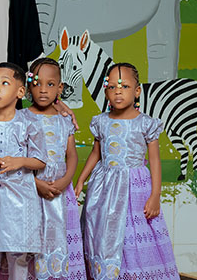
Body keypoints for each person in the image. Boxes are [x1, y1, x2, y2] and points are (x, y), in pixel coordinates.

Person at [75, 63, 179, 280]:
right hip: (104, 190)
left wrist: (155, 195)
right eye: (112, 87)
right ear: (106, 92)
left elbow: (155, 160)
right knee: (103, 235)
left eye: (124, 86)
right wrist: (81, 180)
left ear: (137, 91)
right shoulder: (100, 121)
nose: (118, 92)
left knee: (131, 235)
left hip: (135, 188)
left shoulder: (146, 123)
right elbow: (96, 153)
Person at [0, 62, 46, 280]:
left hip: (20, 202)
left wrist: (19, 161)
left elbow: (41, 160)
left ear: (20, 92)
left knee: (18, 253)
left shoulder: (29, 123)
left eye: (4, 83)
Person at [23, 58, 84, 279]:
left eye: (50, 84)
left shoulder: (64, 120)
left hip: (60, 191)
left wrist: (66, 180)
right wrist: (35, 183)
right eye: (37, 83)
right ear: (28, 86)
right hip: (31, 190)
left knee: (59, 237)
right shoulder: (21, 118)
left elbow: (72, 155)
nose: (43, 90)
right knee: (32, 238)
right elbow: (18, 158)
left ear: (60, 88)